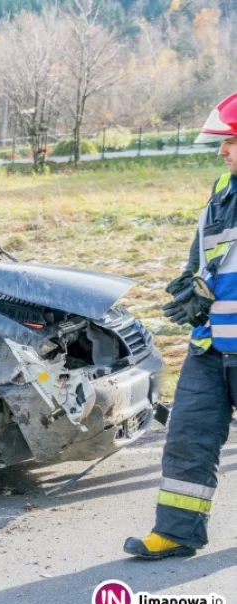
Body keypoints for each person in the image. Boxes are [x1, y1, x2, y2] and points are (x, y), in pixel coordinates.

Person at [125, 93, 237, 559]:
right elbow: (207, 256)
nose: (222, 151)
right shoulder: (223, 190)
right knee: (188, 439)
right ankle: (177, 532)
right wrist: (192, 285)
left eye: (231, 141)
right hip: (210, 346)